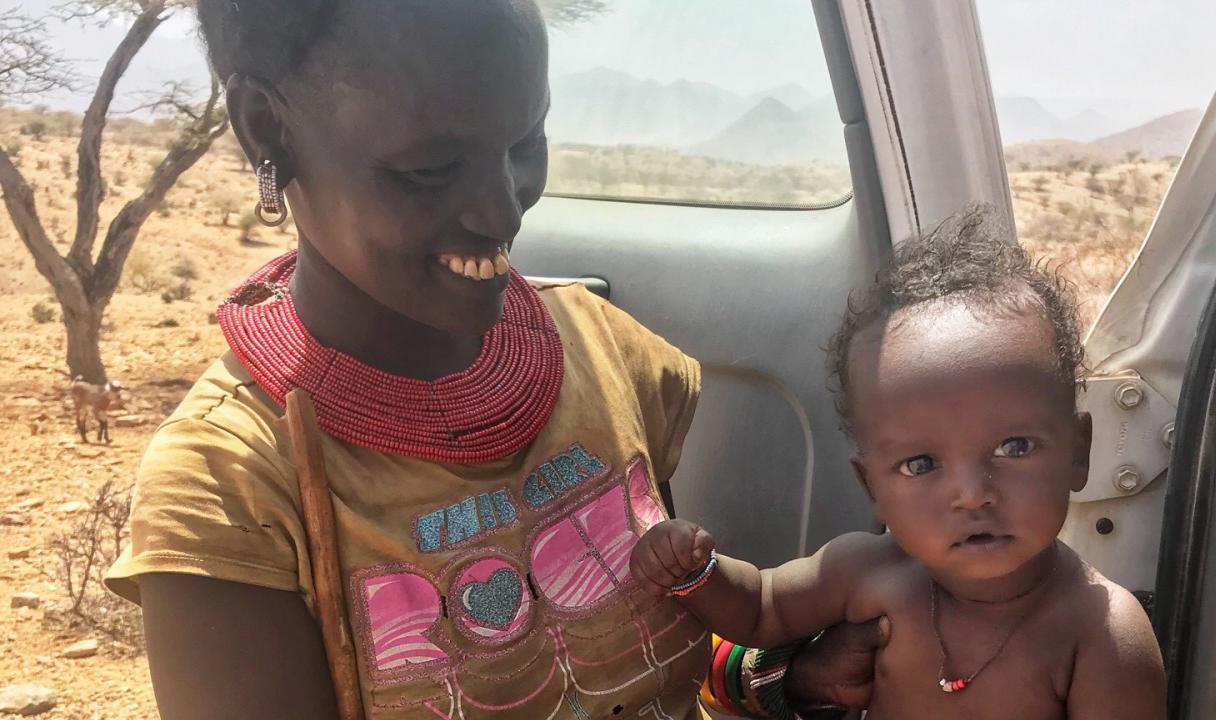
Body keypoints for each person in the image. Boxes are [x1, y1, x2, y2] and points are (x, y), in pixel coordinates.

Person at [103, 1, 882, 718]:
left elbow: (653, 638)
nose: (503, 210)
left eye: (525, 144)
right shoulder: (228, 488)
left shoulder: (605, 352)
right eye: (430, 171)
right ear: (266, 130)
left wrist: (784, 681)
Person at [632, 205, 1167, 719]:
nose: (972, 493)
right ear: (872, 488)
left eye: (1015, 448)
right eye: (921, 464)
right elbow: (761, 608)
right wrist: (696, 573)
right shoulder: (869, 572)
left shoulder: (1101, 630)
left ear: (1078, 451)